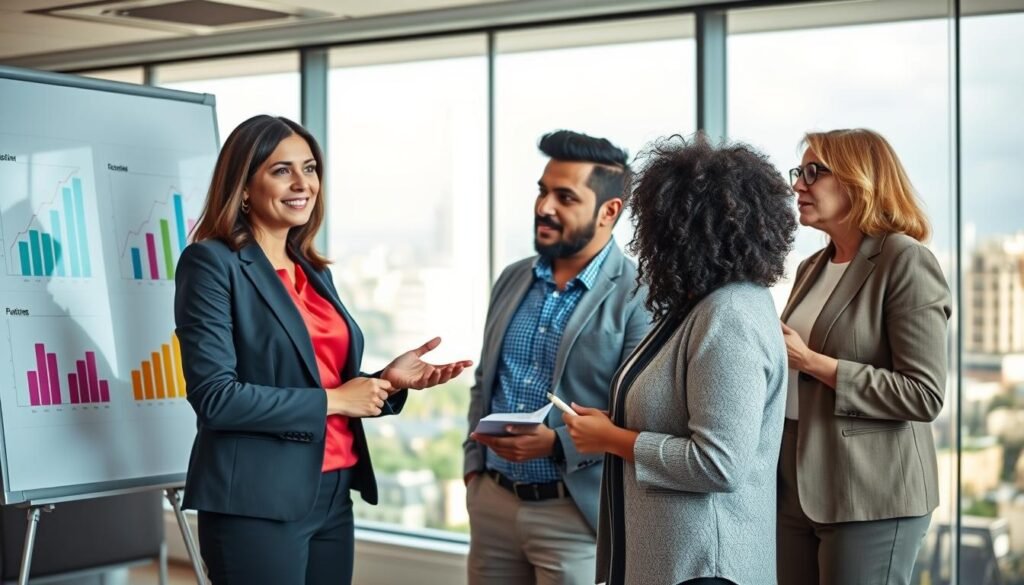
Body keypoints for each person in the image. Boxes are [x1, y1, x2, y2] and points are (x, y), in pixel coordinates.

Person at [174, 114, 471, 585]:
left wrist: (386, 382)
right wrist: (336, 400)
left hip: (334, 488)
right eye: (281, 170)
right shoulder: (212, 264)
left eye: (309, 168)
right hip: (257, 500)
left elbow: (321, 376)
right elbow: (215, 397)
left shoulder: (312, 270)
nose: (302, 183)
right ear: (244, 187)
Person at [563, 134, 795, 585]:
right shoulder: (699, 304)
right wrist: (616, 423)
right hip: (677, 559)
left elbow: (718, 463)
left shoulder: (729, 315)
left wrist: (614, 439)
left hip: (705, 566)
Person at [463, 130, 651, 585]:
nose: (544, 207)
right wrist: (474, 471)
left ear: (609, 211)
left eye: (565, 197)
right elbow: (486, 378)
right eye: (543, 191)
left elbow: (641, 415)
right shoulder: (512, 279)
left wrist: (555, 443)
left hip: (576, 513)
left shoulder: (640, 295)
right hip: (493, 505)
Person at [778, 128, 951, 585]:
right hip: (796, 487)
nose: (798, 184)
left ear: (859, 180)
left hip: (871, 494)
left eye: (814, 172)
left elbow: (923, 395)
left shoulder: (904, 259)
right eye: (799, 172)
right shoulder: (810, 267)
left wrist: (813, 362)